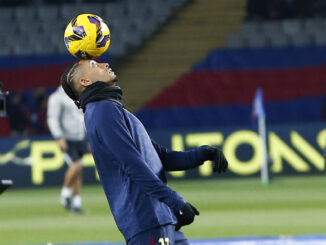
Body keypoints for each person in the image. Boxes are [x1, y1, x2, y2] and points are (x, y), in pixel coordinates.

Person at [60, 59, 228, 244]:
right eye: (93, 65)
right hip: (146, 218)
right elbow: (133, 165)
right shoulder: (103, 110)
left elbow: (160, 157)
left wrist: (203, 154)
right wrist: (176, 202)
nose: (103, 63)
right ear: (85, 82)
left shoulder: (109, 109)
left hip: (160, 218)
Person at [47, 85, 87, 213]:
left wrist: (87, 135)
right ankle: (65, 194)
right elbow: (52, 118)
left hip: (79, 137)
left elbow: (83, 117)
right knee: (76, 166)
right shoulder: (56, 97)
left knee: (78, 170)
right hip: (67, 138)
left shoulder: (78, 95)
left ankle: (76, 203)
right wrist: (59, 137)